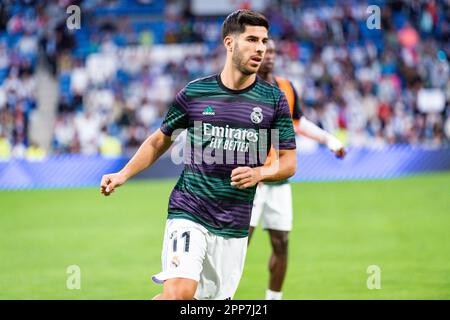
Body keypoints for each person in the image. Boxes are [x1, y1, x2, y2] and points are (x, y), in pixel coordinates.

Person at [100, 10, 297, 300]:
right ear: (229, 43)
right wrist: (122, 174)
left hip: (234, 225)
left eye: (264, 41)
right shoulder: (196, 92)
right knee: (180, 294)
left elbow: (289, 161)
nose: (260, 48)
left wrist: (260, 173)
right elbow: (158, 141)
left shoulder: (273, 99)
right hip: (189, 210)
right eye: (252, 39)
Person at [248, 39, 346, 300]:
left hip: (278, 178)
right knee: (237, 245)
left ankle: (273, 299)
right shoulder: (244, 87)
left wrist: (329, 140)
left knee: (281, 243)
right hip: (250, 180)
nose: (269, 56)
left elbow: (298, 122)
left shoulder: (286, 87)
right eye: (264, 51)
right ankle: (218, 297)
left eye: (273, 52)